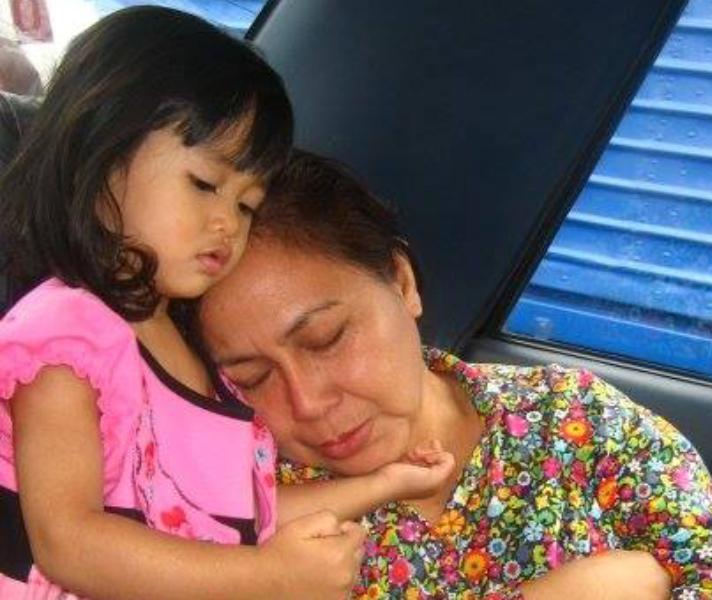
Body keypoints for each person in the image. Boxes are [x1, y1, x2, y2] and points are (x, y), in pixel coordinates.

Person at [0, 8, 453, 600]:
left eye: (245, 205)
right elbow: (68, 543)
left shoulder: (189, 349)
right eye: (205, 185)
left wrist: (386, 483)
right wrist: (269, 579)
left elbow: (236, 516)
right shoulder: (68, 334)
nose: (226, 224)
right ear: (100, 155)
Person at [199, 149, 712, 600]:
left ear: (401, 282)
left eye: (327, 339)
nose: (307, 403)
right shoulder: (230, 506)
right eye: (252, 377)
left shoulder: (572, 420)